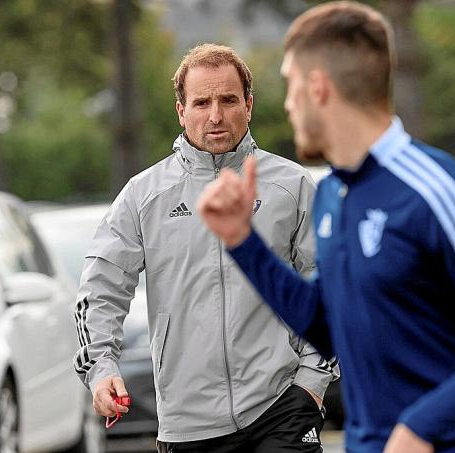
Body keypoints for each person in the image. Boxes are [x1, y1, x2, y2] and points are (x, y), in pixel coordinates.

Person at [197, 3, 455, 453]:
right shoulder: (332, 195)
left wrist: (421, 426)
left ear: (318, 87)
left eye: (290, 85)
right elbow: (327, 327)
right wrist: (241, 241)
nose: (286, 104)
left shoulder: (433, 190)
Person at [73, 43, 338, 453]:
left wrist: (312, 382)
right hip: (187, 424)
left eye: (228, 100)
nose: (215, 115)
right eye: (201, 102)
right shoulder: (144, 195)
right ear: (181, 111)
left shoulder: (293, 185)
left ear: (248, 105)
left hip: (282, 406)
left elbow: (332, 285)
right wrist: (101, 367)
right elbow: (100, 287)